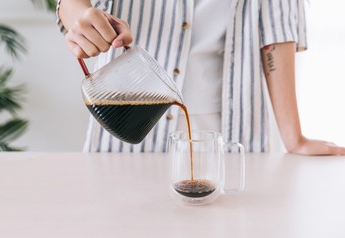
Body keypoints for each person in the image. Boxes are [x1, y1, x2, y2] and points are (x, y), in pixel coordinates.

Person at [56, 0, 345, 155]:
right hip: (128, 125)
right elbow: (73, 4)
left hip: (227, 131)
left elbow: (277, 31)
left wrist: (294, 138)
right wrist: (82, 19)